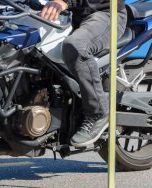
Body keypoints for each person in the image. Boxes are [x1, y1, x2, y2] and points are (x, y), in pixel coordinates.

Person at [40, 0, 127, 147]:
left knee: (76, 46)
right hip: (72, 16)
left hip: (106, 14)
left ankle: (98, 112)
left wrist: (66, 1)